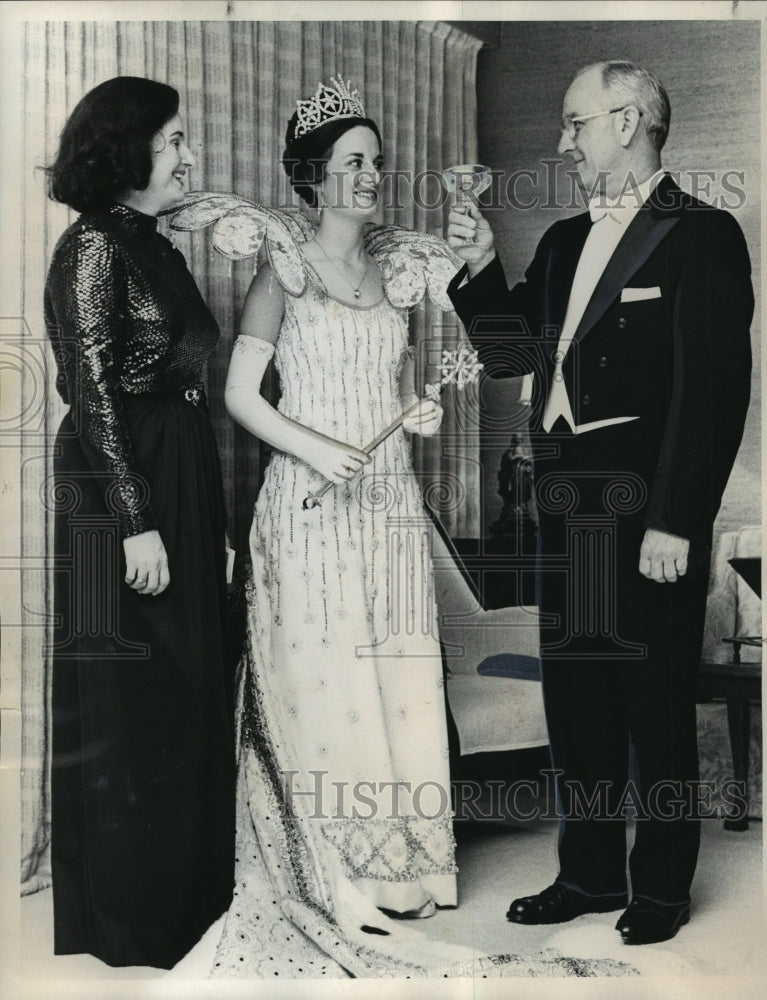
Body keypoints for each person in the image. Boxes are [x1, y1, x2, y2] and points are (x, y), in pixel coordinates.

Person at [447, 60, 753, 945]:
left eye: (575, 124)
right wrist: (477, 269)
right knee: (577, 703)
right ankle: (585, 875)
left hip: (644, 512)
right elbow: (509, 361)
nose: (563, 142)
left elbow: (712, 394)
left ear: (629, 121)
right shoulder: (559, 243)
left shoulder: (702, 236)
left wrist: (676, 519)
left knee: (653, 703)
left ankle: (658, 889)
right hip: (564, 509)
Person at [215, 77, 460, 977]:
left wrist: (417, 414)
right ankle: (339, 871)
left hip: (388, 505)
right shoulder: (281, 267)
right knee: (329, 677)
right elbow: (244, 397)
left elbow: (394, 393)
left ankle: (406, 872)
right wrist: (318, 448)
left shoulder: (397, 275)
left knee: (392, 669)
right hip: (312, 508)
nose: (371, 176)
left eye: (376, 162)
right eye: (352, 163)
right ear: (313, 177)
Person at [44, 76, 235, 969]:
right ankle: (129, 920)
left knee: (183, 687)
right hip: (119, 486)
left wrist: (207, 519)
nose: (188, 156)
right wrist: (136, 522)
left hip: (177, 473)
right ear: (123, 153)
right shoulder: (91, 248)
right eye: (173, 143)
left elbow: (186, 373)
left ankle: (185, 901)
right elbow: (92, 397)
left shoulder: (151, 241)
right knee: (131, 701)